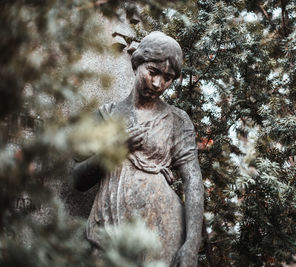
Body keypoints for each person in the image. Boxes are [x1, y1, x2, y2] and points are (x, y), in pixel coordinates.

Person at [72, 31, 204, 267]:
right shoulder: (104, 116)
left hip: (164, 228)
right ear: (137, 64)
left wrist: (191, 244)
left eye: (168, 78)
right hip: (110, 226)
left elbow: (193, 180)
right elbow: (78, 179)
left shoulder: (177, 121)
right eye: (152, 72)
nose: (158, 84)